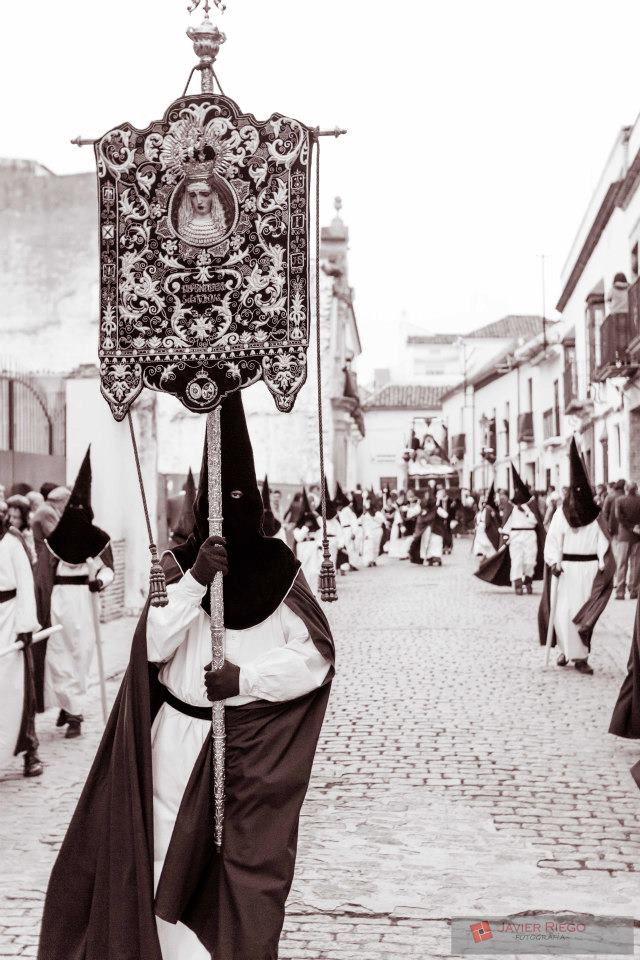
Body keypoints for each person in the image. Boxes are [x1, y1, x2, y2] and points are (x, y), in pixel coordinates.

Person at [38, 390, 335, 960]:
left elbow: (315, 658)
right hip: (175, 739)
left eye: (239, 500)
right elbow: (151, 644)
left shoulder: (283, 571)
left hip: (244, 750)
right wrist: (197, 580)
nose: (228, 509)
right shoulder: (177, 567)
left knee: (238, 871)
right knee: (161, 853)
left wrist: (246, 678)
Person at [43, 449, 114, 739]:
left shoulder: (98, 538)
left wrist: (100, 581)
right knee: (57, 656)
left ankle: (73, 709)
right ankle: (69, 707)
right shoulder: (54, 539)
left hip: (85, 600)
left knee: (80, 654)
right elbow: (46, 570)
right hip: (60, 599)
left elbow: (109, 569)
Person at [538, 438, 614, 675]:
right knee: (562, 613)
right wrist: (554, 563)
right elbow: (552, 540)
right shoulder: (562, 514)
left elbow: (604, 541)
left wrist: (603, 563)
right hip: (567, 570)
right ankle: (564, 650)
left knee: (584, 614)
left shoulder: (597, 515)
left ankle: (581, 656)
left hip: (589, 570)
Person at [0, 500, 43, 777]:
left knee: (17, 687)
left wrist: (25, 624)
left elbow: (26, 582)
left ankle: (30, 750)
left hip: (10, 619)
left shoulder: (13, 541)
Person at [475, 464, 545, 593]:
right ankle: (518, 585)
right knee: (517, 560)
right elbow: (506, 525)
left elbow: (535, 522)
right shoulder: (511, 507)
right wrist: (504, 539)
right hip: (516, 537)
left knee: (530, 561)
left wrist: (525, 511)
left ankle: (528, 581)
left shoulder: (531, 506)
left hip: (529, 536)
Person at [612, 481, 640, 600]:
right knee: (636, 564)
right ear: (636, 489)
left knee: (622, 564)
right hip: (637, 535)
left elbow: (618, 517)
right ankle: (634, 590)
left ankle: (620, 592)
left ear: (626, 489)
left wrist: (629, 527)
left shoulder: (619, 500)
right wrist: (636, 526)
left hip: (623, 535)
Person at [292, 487, 322, 592]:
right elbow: (298, 537)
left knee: (314, 570)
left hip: (312, 546)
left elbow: (319, 534)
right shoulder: (299, 525)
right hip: (303, 547)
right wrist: (305, 527)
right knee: (304, 569)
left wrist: (318, 545)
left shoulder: (315, 520)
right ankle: (305, 591)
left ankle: (313, 591)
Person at [472, 483, 500, 560]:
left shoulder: (489, 509)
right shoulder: (484, 509)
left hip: (486, 529)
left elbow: (488, 522)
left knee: (488, 546)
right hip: (481, 528)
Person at [6, 494, 35, 563]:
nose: (11, 520)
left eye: (15, 517)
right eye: (9, 516)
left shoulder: (28, 534)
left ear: (23, 519)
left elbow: (32, 559)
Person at [361, 492, 385, 567]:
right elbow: (365, 524)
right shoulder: (366, 515)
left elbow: (382, 521)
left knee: (376, 546)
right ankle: (369, 560)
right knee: (369, 546)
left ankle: (374, 560)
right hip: (370, 532)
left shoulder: (378, 514)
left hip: (377, 531)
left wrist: (374, 517)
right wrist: (366, 533)